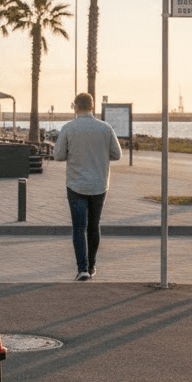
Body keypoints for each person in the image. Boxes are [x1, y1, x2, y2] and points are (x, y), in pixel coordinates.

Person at [52, 92, 121, 281]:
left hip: (76, 184)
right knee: (94, 224)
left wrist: (73, 155)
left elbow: (57, 155)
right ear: (92, 106)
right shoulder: (105, 128)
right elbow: (117, 154)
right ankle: (92, 266)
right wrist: (100, 156)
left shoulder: (68, 128)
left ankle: (82, 269)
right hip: (99, 184)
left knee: (79, 227)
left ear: (75, 106)